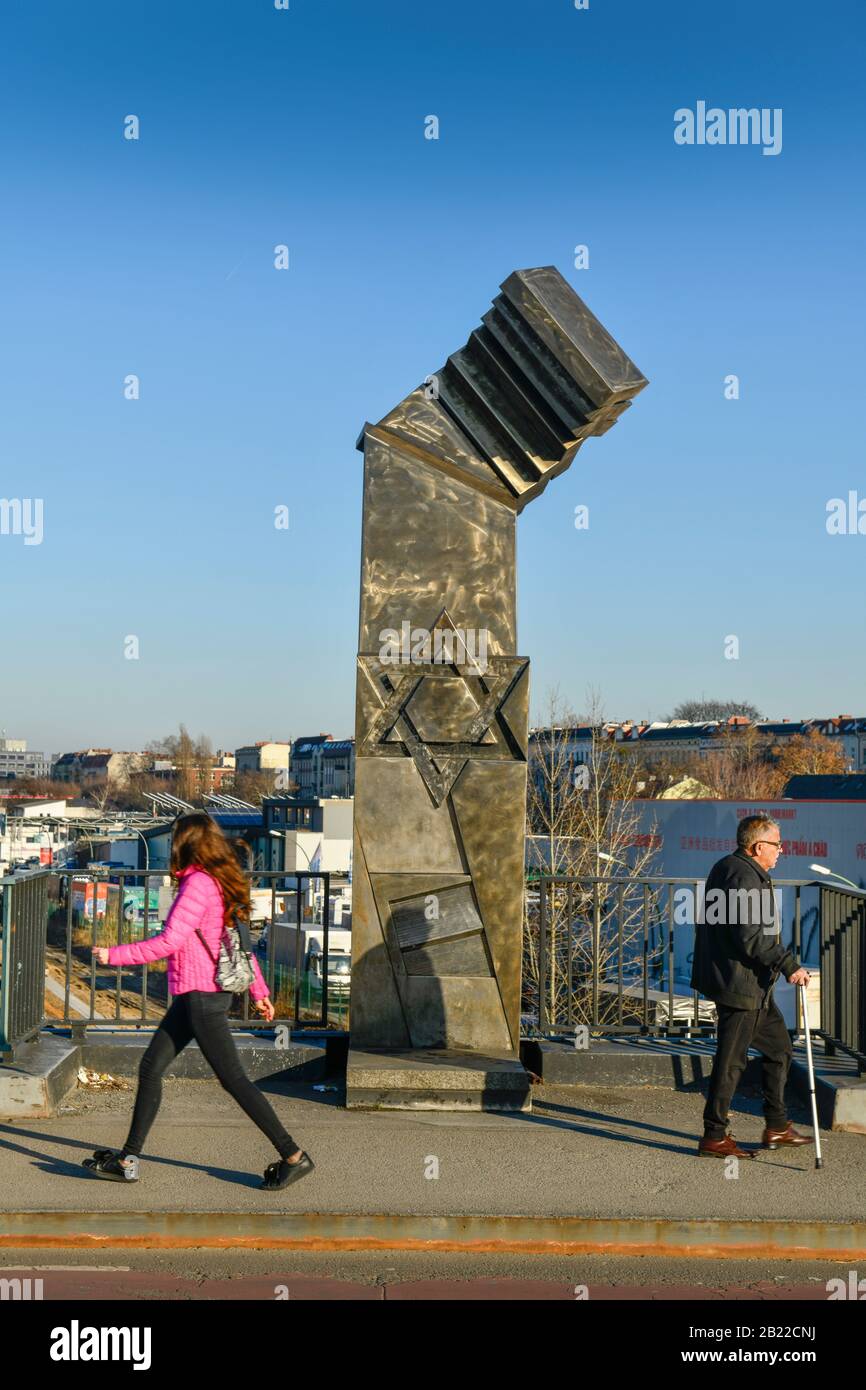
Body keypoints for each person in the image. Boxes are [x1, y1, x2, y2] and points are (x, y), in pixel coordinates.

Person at [85, 812, 313, 1190]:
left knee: (234, 1080)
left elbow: (169, 941)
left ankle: (293, 1155)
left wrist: (114, 955)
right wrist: (260, 992)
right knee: (150, 1067)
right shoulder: (217, 881)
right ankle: (127, 1159)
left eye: (175, 838)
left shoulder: (197, 886)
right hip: (195, 997)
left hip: (203, 999)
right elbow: (238, 945)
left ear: (185, 843)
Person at [690, 814, 813, 1158]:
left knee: (779, 1050)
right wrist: (790, 965)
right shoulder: (744, 877)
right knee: (731, 1063)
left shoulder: (729, 867)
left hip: (749, 987)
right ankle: (714, 1136)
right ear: (759, 846)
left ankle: (776, 1126)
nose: (781, 851)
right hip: (741, 988)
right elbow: (751, 938)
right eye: (777, 844)